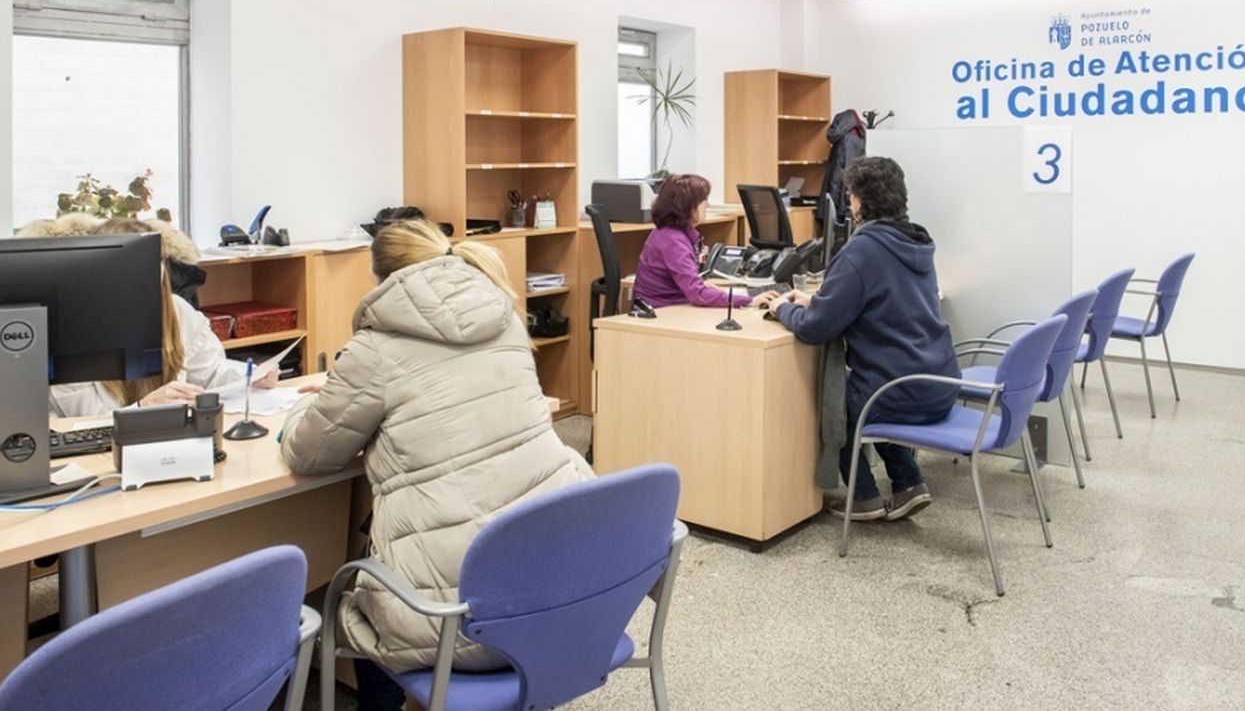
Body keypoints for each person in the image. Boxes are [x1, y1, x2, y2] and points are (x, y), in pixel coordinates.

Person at [279, 218, 593, 710]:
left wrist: (303, 404)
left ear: (381, 278)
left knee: (358, 596)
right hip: (554, 584)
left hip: (454, 620)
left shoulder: (375, 349)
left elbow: (308, 452)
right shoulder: (506, 317)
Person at [754, 156, 959, 521]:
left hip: (900, 392)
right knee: (870, 387)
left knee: (840, 400)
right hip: (940, 382)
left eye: (850, 196)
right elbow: (883, 300)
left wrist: (782, 308)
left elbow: (815, 328)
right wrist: (818, 300)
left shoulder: (862, 250)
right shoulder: (915, 242)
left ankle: (863, 497)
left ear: (860, 201)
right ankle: (909, 483)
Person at [26, 216, 275, 417]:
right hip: (97, 452)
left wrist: (251, 375)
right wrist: (143, 408)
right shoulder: (69, 331)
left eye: (153, 260)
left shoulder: (177, 310)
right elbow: (84, 421)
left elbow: (209, 372)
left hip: (172, 437)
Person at [631, 173, 752, 309]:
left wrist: (701, 284)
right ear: (687, 206)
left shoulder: (669, 233)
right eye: (703, 200)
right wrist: (749, 301)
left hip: (669, 306)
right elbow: (697, 294)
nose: (707, 205)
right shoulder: (673, 242)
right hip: (663, 311)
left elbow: (688, 285)